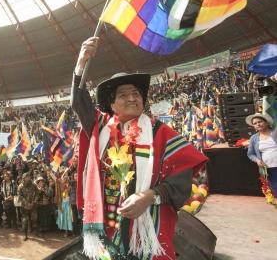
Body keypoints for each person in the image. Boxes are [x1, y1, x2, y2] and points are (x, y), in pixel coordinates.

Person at [71, 37, 208, 260]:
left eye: (136, 94)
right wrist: (80, 64)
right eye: (123, 95)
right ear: (112, 105)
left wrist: (149, 196)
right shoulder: (100, 127)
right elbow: (79, 102)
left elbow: (181, 179)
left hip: (145, 228)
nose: (133, 98)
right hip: (105, 224)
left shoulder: (160, 133)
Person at [246, 113, 277, 194]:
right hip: (269, 168)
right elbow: (250, 154)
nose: (258, 124)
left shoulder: (275, 133)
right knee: (275, 188)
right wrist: (257, 160)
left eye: (260, 121)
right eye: (255, 123)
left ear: (266, 122)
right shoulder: (254, 138)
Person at [17, 172, 38, 241]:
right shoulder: (20, 186)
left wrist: (34, 201)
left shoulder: (33, 185)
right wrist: (26, 203)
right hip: (24, 206)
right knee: (25, 220)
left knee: (35, 218)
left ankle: (35, 231)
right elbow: (19, 196)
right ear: (23, 178)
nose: (28, 178)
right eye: (26, 177)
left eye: (29, 177)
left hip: (33, 205)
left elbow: (37, 193)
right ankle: (25, 235)